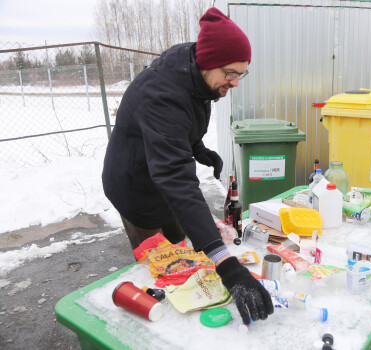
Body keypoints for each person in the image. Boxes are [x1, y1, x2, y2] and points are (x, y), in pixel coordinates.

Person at [102, 7, 273, 325]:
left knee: (185, 249)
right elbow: (176, 179)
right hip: (135, 186)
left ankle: (191, 283)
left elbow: (183, 123)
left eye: (241, 73)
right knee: (160, 270)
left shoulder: (196, 73)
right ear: (208, 64)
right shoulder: (163, 96)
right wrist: (228, 266)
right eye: (231, 73)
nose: (235, 82)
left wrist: (197, 149)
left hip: (163, 174)